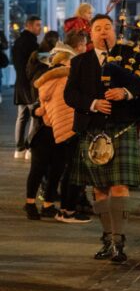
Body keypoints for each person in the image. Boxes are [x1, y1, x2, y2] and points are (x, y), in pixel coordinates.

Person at [64, 14, 140, 262]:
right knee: (99, 189)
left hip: (122, 128)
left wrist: (126, 92)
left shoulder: (131, 57)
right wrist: (93, 103)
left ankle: (119, 241)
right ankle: (107, 238)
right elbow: (70, 95)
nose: (103, 32)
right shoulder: (80, 62)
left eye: (107, 27)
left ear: (114, 31)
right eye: (97, 29)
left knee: (118, 186)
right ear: (90, 35)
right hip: (93, 130)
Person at [29, 42, 91, 223]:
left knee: (55, 169)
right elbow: (38, 104)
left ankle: (47, 204)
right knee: (39, 169)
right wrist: (38, 111)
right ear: (65, 61)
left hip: (56, 129)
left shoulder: (62, 78)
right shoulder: (52, 77)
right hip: (45, 131)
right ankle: (31, 204)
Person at [12, 15, 41, 159]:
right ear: (29, 26)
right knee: (35, 116)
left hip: (19, 83)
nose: (39, 27)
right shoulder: (32, 44)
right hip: (30, 85)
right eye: (37, 25)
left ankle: (19, 148)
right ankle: (30, 148)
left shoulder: (17, 42)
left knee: (21, 116)